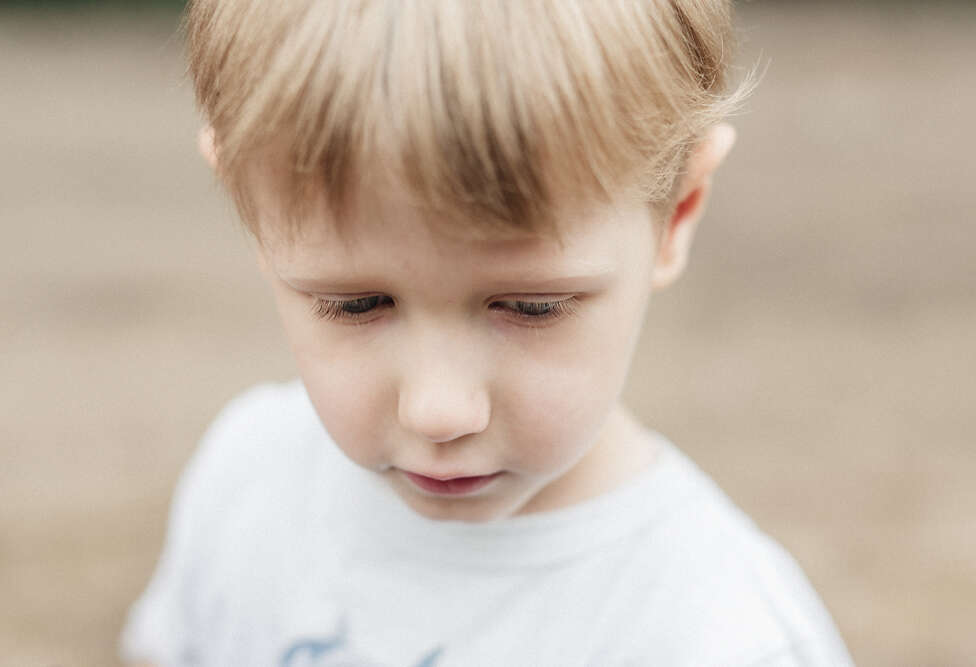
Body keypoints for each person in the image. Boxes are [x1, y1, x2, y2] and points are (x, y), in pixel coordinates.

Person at [121, 1, 854, 665]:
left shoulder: (720, 635)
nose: (439, 410)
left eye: (532, 307)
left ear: (678, 213)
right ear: (248, 206)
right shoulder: (247, 479)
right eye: (357, 303)